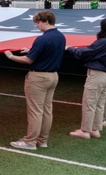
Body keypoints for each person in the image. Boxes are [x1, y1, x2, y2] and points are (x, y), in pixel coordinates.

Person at [6, 10, 66, 150]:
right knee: (46, 110)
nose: (37, 26)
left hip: (38, 77)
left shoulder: (42, 39)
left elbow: (28, 60)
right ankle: (42, 140)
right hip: (53, 76)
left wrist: (10, 56)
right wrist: (31, 50)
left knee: (35, 111)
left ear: (46, 21)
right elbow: (47, 52)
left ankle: (30, 141)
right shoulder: (61, 36)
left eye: (38, 23)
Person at [65, 18, 106, 139]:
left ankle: (85, 130)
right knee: (100, 103)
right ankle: (95, 129)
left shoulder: (104, 42)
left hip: (98, 74)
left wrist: (71, 48)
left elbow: (85, 53)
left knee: (89, 102)